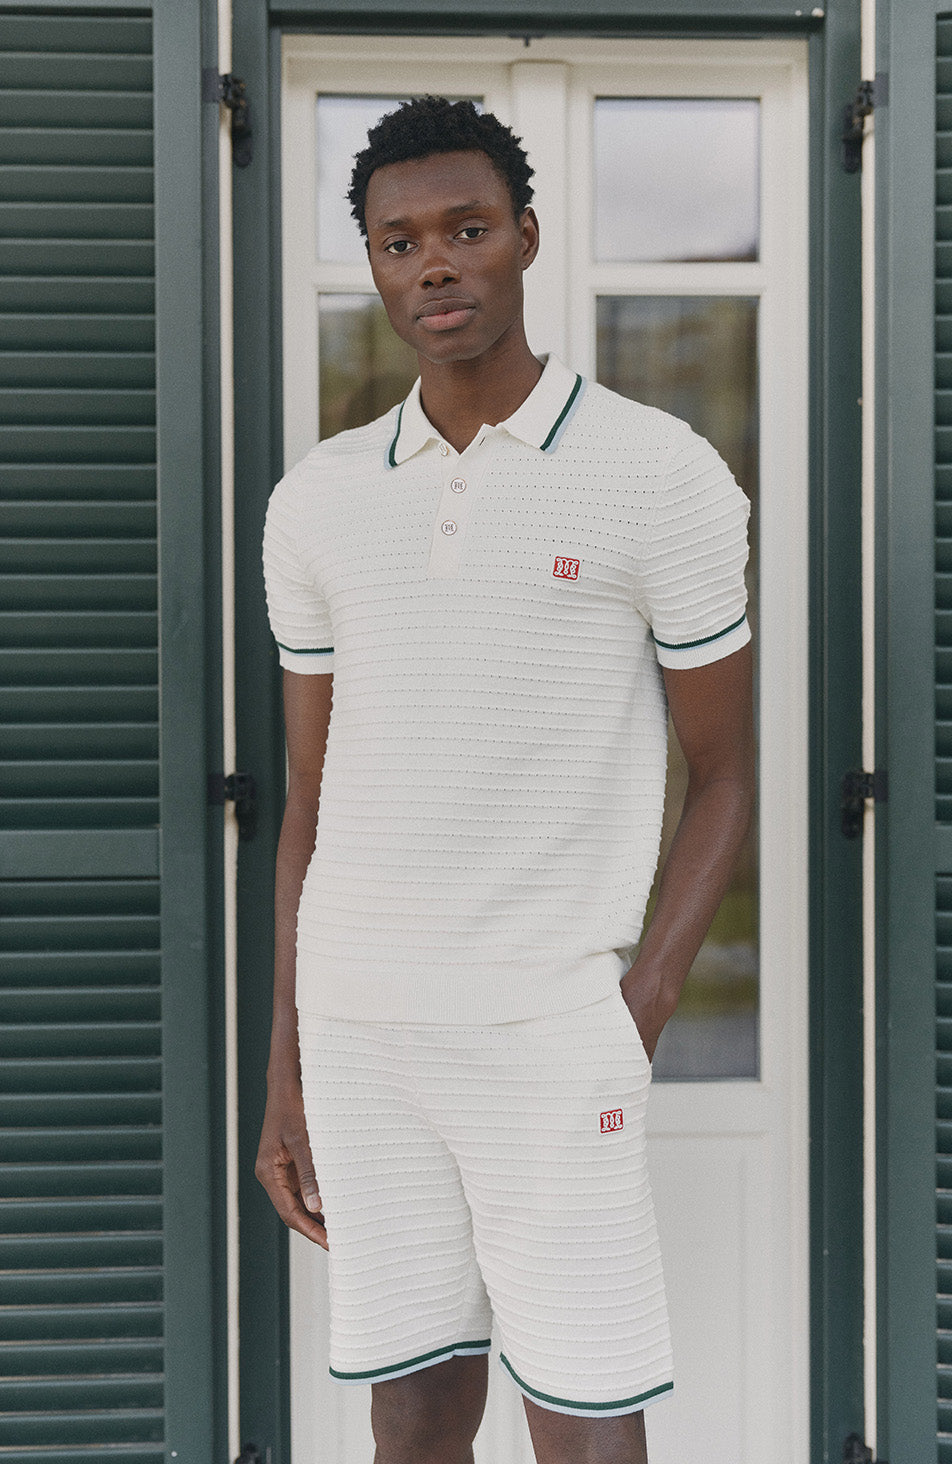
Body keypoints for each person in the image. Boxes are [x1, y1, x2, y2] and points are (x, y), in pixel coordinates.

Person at [257, 96, 754, 1464]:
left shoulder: (659, 474)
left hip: (549, 1031)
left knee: (584, 1414)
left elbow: (726, 773)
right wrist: (287, 1069)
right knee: (412, 1409)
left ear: (526, 237)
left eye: (466, 229)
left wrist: (637, 1008)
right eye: (399, 242)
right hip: (361, 1035)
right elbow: (309, 801)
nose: (435, 265)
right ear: (373, 264)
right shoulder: (317, 501)